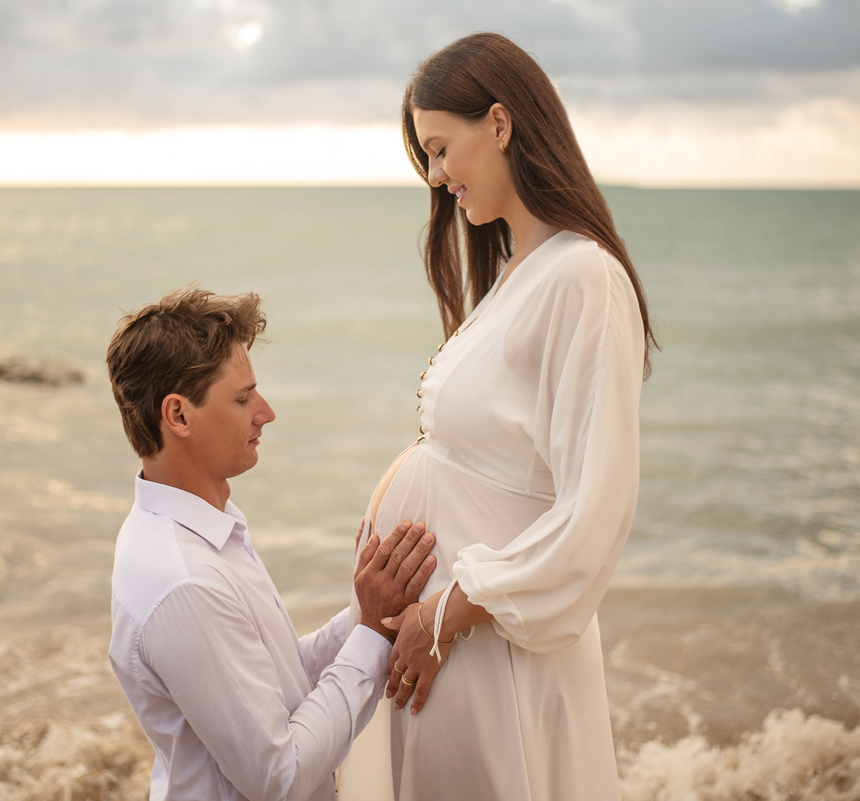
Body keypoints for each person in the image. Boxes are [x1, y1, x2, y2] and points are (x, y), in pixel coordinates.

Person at [346, 33, 656, 800]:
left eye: (442, 148)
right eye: (426, 158)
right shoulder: (518, 274)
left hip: (486, 643)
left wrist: (443, 613)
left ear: (501, 123)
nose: (436, 175)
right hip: (452, 640)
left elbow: (595, 507)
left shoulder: (583, 277)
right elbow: (477, 446)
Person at [105, 287, 439, 801]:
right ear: (178, 416)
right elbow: (277, 776)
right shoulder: (183, 581)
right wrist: (371, 633)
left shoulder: (204, 533)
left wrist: (368, 612)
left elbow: (274, 683)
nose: (266, 412)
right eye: (242, 398)